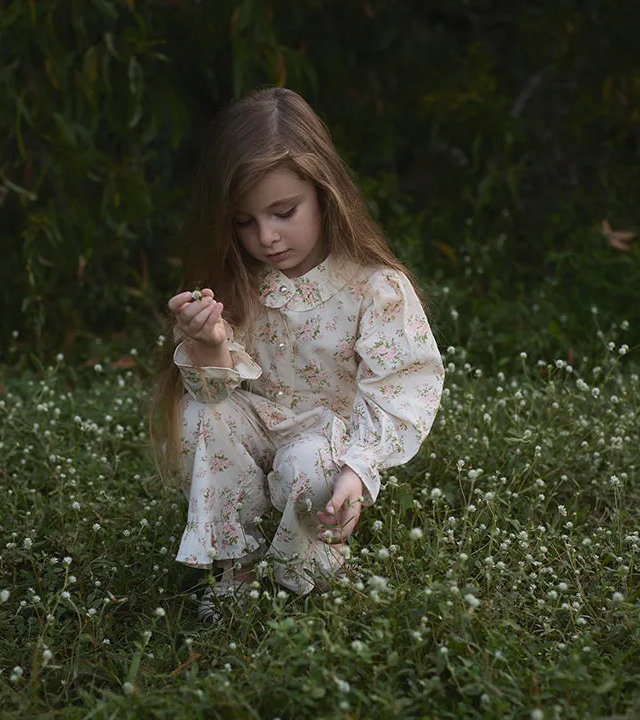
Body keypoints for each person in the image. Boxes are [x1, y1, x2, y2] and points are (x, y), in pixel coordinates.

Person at [149, 87, 445, 621]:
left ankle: (307, 572)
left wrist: (357, 471)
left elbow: (402, 386)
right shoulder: (235, 284)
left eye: (284, 212)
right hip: (256, 430)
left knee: (306, 466)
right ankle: (236, 566)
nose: (266, 237)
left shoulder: (373, 287)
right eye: (244, 221)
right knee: (203, 410)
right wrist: (210, 342)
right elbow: (214, 395)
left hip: (326, 443)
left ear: (324, 192)